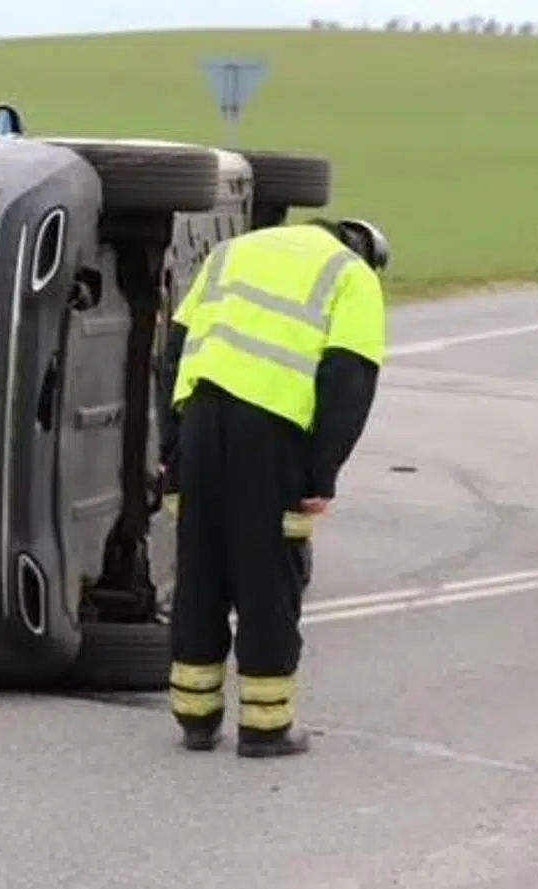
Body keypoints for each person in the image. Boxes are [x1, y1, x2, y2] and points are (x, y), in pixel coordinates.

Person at [163, 218, 388, 757]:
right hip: (271, 433)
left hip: (199, 419)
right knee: (267, 578)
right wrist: (321, 473)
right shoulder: (352, 275)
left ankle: (195, 717)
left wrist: (173, 448)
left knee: (200, 568)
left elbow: (176, 348)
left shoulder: (233, 252)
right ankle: (265, 727)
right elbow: (348, 380)